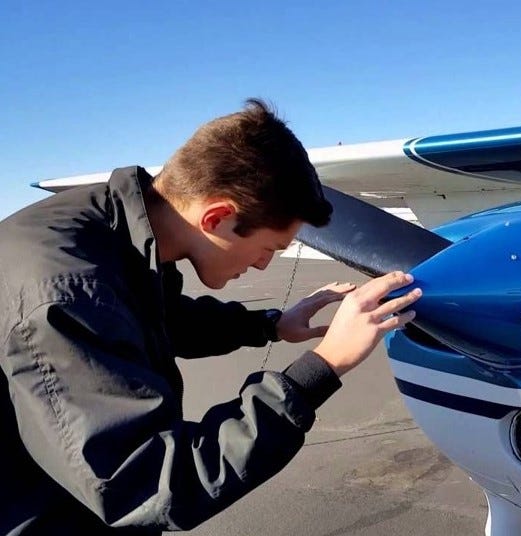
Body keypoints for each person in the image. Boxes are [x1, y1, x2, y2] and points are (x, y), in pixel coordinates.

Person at [0, 99, 421, 535]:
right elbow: (153, 483)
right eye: (270, 249)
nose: (262, 266)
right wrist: (325, 365)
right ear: (218, 217)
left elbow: (158, 317)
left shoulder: (112, 230)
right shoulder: (66, 291)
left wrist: (270, 325)